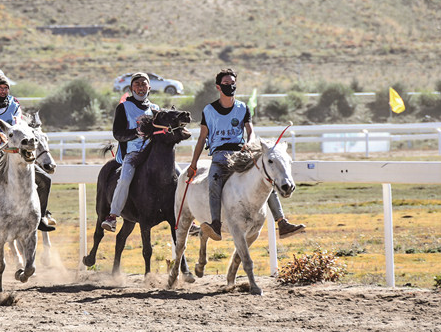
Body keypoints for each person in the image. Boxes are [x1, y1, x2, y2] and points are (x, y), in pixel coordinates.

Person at [186, 68, 305, 240]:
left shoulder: (243, 108)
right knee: (213, 183)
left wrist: (249, 142)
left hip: (240, 154)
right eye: (226, 83)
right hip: (219, 156)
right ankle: (215, 224)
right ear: (218, 87)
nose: (230, 86)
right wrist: (193, 165)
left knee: (266, 177)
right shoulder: (209, 110)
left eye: (232, 83)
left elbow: (250, 131)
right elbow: (202, 138)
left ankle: (282, 222)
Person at [0, 68, 55, 235]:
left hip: (15, 151)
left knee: (45, 179)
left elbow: (18, 125)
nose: (4, 91)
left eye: (6, 87)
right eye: (0, 88)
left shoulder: (14, 105)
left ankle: (41, 216)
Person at [102, 72, 158, 232]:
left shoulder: (155, 109)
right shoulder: (123, 107)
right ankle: (112, 216)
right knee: (125, 179)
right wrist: (136, 132)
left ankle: (184, 218)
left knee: (177, 175)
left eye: (143, 84)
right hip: (133, 154)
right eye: (137, 84)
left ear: (149, 87)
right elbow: (117, 133)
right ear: (131, 88)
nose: (140, 87)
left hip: (154, 154)